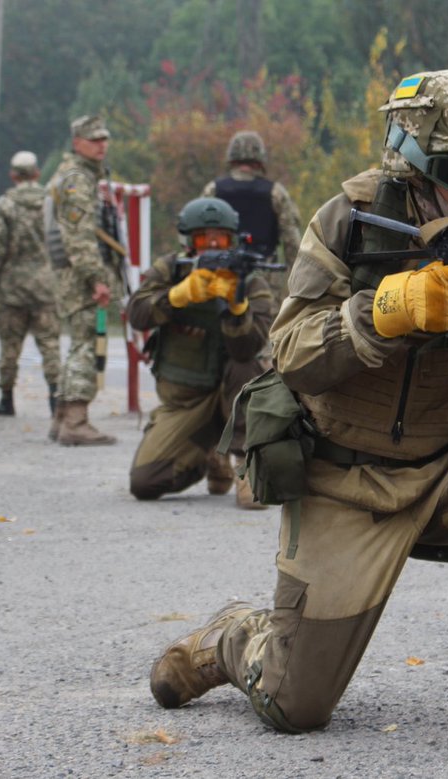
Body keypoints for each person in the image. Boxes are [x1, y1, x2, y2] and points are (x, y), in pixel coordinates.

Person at [150, 67, 448, 750]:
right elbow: (292, 349)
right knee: (294, 705)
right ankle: (232, 636)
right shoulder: (350, 221)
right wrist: (381, 313)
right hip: (346, 476)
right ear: (420, 166)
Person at [126, 197, 274, 508]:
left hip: (232, 398)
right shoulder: (169, 269)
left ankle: (247, 466)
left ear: (231, 240)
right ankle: (210, 455)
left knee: (244, 365)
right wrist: (175, 297)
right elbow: (136, 313)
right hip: (186, 405)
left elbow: (249, 348)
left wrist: (236, 309)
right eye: (203, 238)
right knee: (144, 483)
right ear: (188, 242)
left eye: (220, 238)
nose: (212, 245)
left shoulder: (250, 281)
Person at [45, 115, 125, 446]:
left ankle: (62, 418)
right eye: (94, 140)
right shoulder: (77, 180)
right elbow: (77, 236)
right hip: (81, 275)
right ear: (77, 142)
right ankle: (75, 420)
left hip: (74, 273)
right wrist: (96, 278)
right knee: (87, 343)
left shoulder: (78, 177)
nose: (101, 145)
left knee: (80, 342)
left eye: (104, 139)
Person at [0, 150, 62, 417]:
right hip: (45, 283)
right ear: (37, 173)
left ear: (13, 175)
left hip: (13, 287)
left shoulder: (5, 204)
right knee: (50, 344)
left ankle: (6, 399)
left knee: (9, 346)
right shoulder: (50, 202)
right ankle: (55, 398)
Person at [201, 130, 302, 303]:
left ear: (231, 159)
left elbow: (196, 233)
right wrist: (299, 289)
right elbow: (292, 244)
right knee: (265, 326)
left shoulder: (213, 191)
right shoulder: (275, 193)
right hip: (265, 280)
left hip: (220, 276)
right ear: (259, 160)